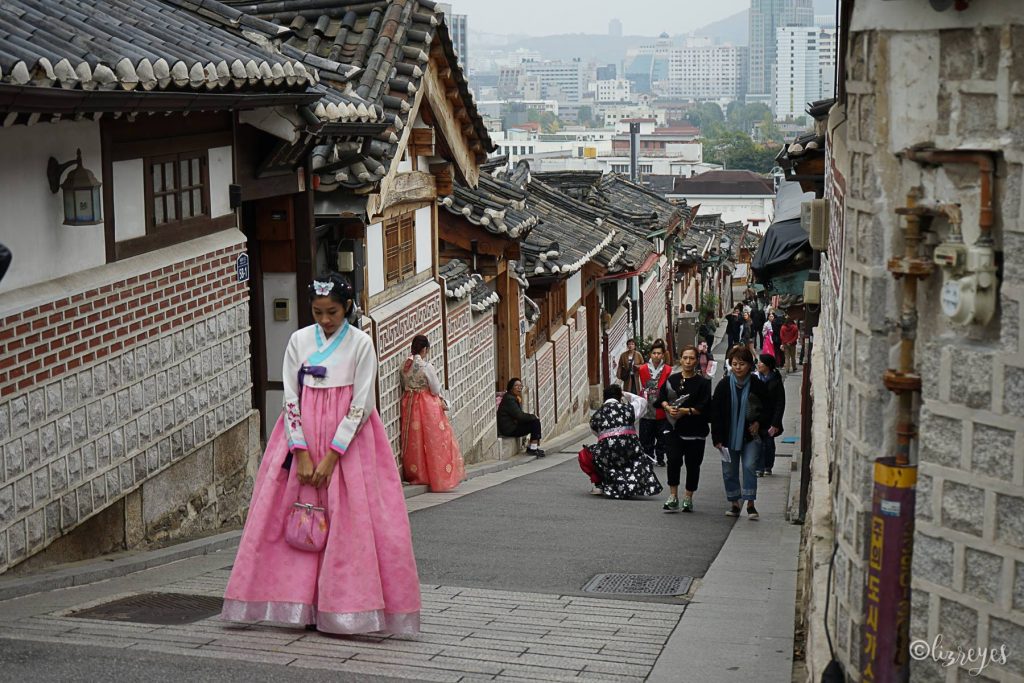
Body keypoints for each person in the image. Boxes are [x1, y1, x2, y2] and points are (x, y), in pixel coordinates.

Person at [222, 273, 421, 635]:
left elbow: (361, 404)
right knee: (294, 520)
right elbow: (290, 398)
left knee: (351, 522)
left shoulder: (361, 344)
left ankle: (345, 606)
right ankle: (298, 605)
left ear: (346, 308)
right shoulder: (298, 341)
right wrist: (301, 454)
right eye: (318, 312)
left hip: (348, 444)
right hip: (302, 439)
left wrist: (332, 456)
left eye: (332, 311)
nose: (325, 319)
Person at [711, 345, 770, 520]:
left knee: (749, 466)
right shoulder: (723, 385)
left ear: (749, 366)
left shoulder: (757, 385)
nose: (738, 367)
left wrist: (759, 423)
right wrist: (717, 438)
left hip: (750, 435)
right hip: (728, 436)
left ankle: (750, 503)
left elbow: (767, 407)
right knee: (729, 470)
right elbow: (716, 413)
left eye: (742, 364)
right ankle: (734, 503)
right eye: (735, 363)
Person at [400, 334, 464, 492]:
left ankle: (417, 474)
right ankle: (436, 475)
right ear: (424, 349)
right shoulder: (426, 367)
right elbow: (435, 389)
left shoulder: (405, 365)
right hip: (426, 404)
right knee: (434, 439)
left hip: (409, 402)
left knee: (415, 440)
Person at [581, 384, 662, 499]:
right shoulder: (628, 409)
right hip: (631, 451)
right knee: (635, 455)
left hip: (608, 455)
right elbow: (642, 401)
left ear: (604, 398)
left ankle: (598, 484)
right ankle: (632, 483)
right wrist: (627, 394)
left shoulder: (596, 415)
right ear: (619, 397)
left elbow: (597, 434)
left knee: (585, 454)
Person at [659, 345, 712, 512]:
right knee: (673, 460)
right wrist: (668, 407)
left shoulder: (703, 383)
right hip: (673, 428)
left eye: (692, 358)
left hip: (695, 430)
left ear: (697, 361)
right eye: (685, 358)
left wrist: (686, 411)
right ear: (680, 359)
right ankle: (673, 495)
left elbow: (704, 406)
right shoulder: (672, 379)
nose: (688, 361)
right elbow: (661, 398)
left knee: (693, 464)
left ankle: (688, 496)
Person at [637, 339, 671, 466]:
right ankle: (648, 457)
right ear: (650, 354)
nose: (657, 356)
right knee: (646, 436)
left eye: (659, 353)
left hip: (661, 407)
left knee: (662, 436)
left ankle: (660, 457)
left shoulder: (668, 369)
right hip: (647, 408)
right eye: (654, 353)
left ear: (663, 355)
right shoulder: (643, 369)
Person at [754, 353, 786, 477]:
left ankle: (768, 466)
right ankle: (759, 467)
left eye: (761, 362)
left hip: (771, 418)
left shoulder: (776, 381)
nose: (759, 364)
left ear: (768, 365)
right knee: (758, 444)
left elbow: (780, 403)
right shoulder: (756, 378)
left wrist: (776, 422)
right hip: (758, 417)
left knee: (768, 443)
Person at [497, 378, 545, 456]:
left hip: (512, 426)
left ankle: (532, 447)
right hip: (509, 429)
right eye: (516, 385)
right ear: (511, 387)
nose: (519, 387)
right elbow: (519, 416)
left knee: (534, 421)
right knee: (535, 422)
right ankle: (533, 448)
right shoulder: (510, 399)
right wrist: (533, 416)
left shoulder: (512, 397)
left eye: (520, 386)